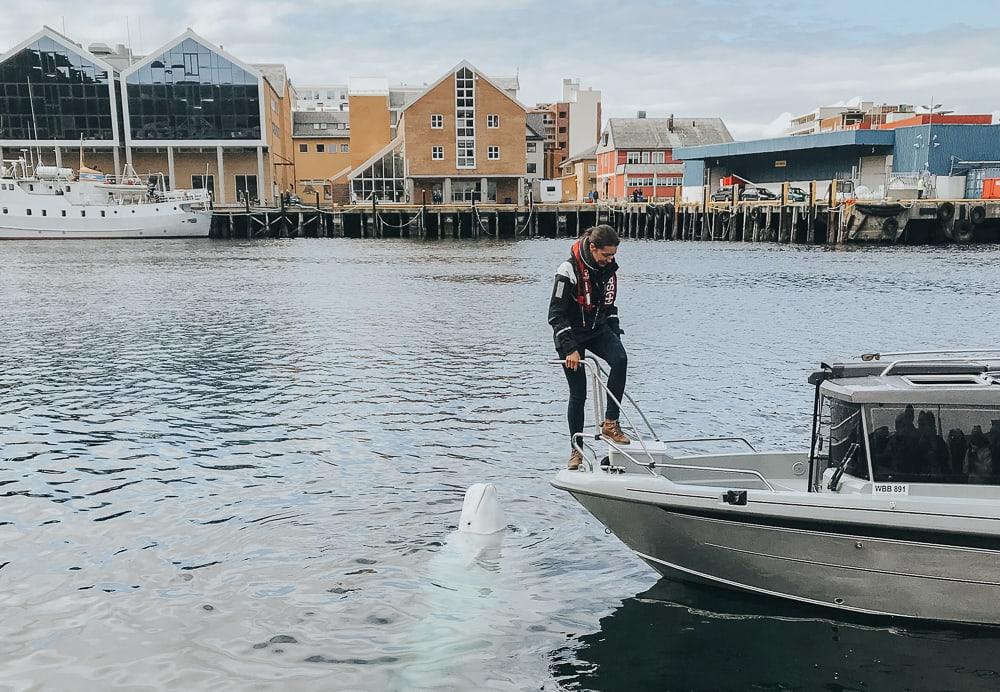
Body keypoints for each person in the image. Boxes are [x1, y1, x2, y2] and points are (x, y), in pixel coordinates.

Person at [548, 225, 629, 470]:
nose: (610, 259)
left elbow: (609, 307)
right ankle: (576, 450)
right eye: (606, 255)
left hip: (596, 328)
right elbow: (555, 315)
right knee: (578, 394)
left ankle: (610, 423)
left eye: (613, 255)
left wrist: (615, 337)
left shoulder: (608, 269)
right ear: (593, 248)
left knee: (620, 359)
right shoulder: (568, 270)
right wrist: (569, 348)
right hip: (571, 334)